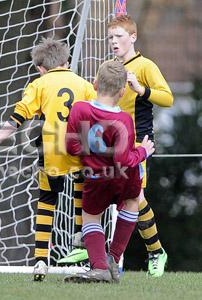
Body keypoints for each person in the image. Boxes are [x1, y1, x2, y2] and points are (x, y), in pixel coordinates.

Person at [0, 37, 96, 281]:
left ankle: (40, 261)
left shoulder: (39, 85)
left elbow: (17, 118)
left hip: (51, 151)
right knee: (82, 192)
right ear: (67, 62)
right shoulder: (83, 84)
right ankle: (80, 242)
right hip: (81, 148)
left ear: (40, 68)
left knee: (47, 201)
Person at [61, 15, 173, 277]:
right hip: (105, 142)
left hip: (135, 142)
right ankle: (92, 246)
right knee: (88, 183)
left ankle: (155, 252)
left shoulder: (145, 66)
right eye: (110, 37)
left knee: (135, 198)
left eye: (119, 36)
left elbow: (167, 98)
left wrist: (141, 89)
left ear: (132, 37)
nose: (113, 41)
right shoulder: (108, 66)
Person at [63, 60, 155, 283]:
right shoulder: (124, 119)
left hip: (96, 176)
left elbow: (71, 146)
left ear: (94, 84)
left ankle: (100, 266)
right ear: (123, 91)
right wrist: (143, 152)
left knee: (91, 218)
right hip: (124, 177)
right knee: (133, 202)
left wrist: (91, 152)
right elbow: (123, 159)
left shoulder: (80, 109)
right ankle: (113, 259)